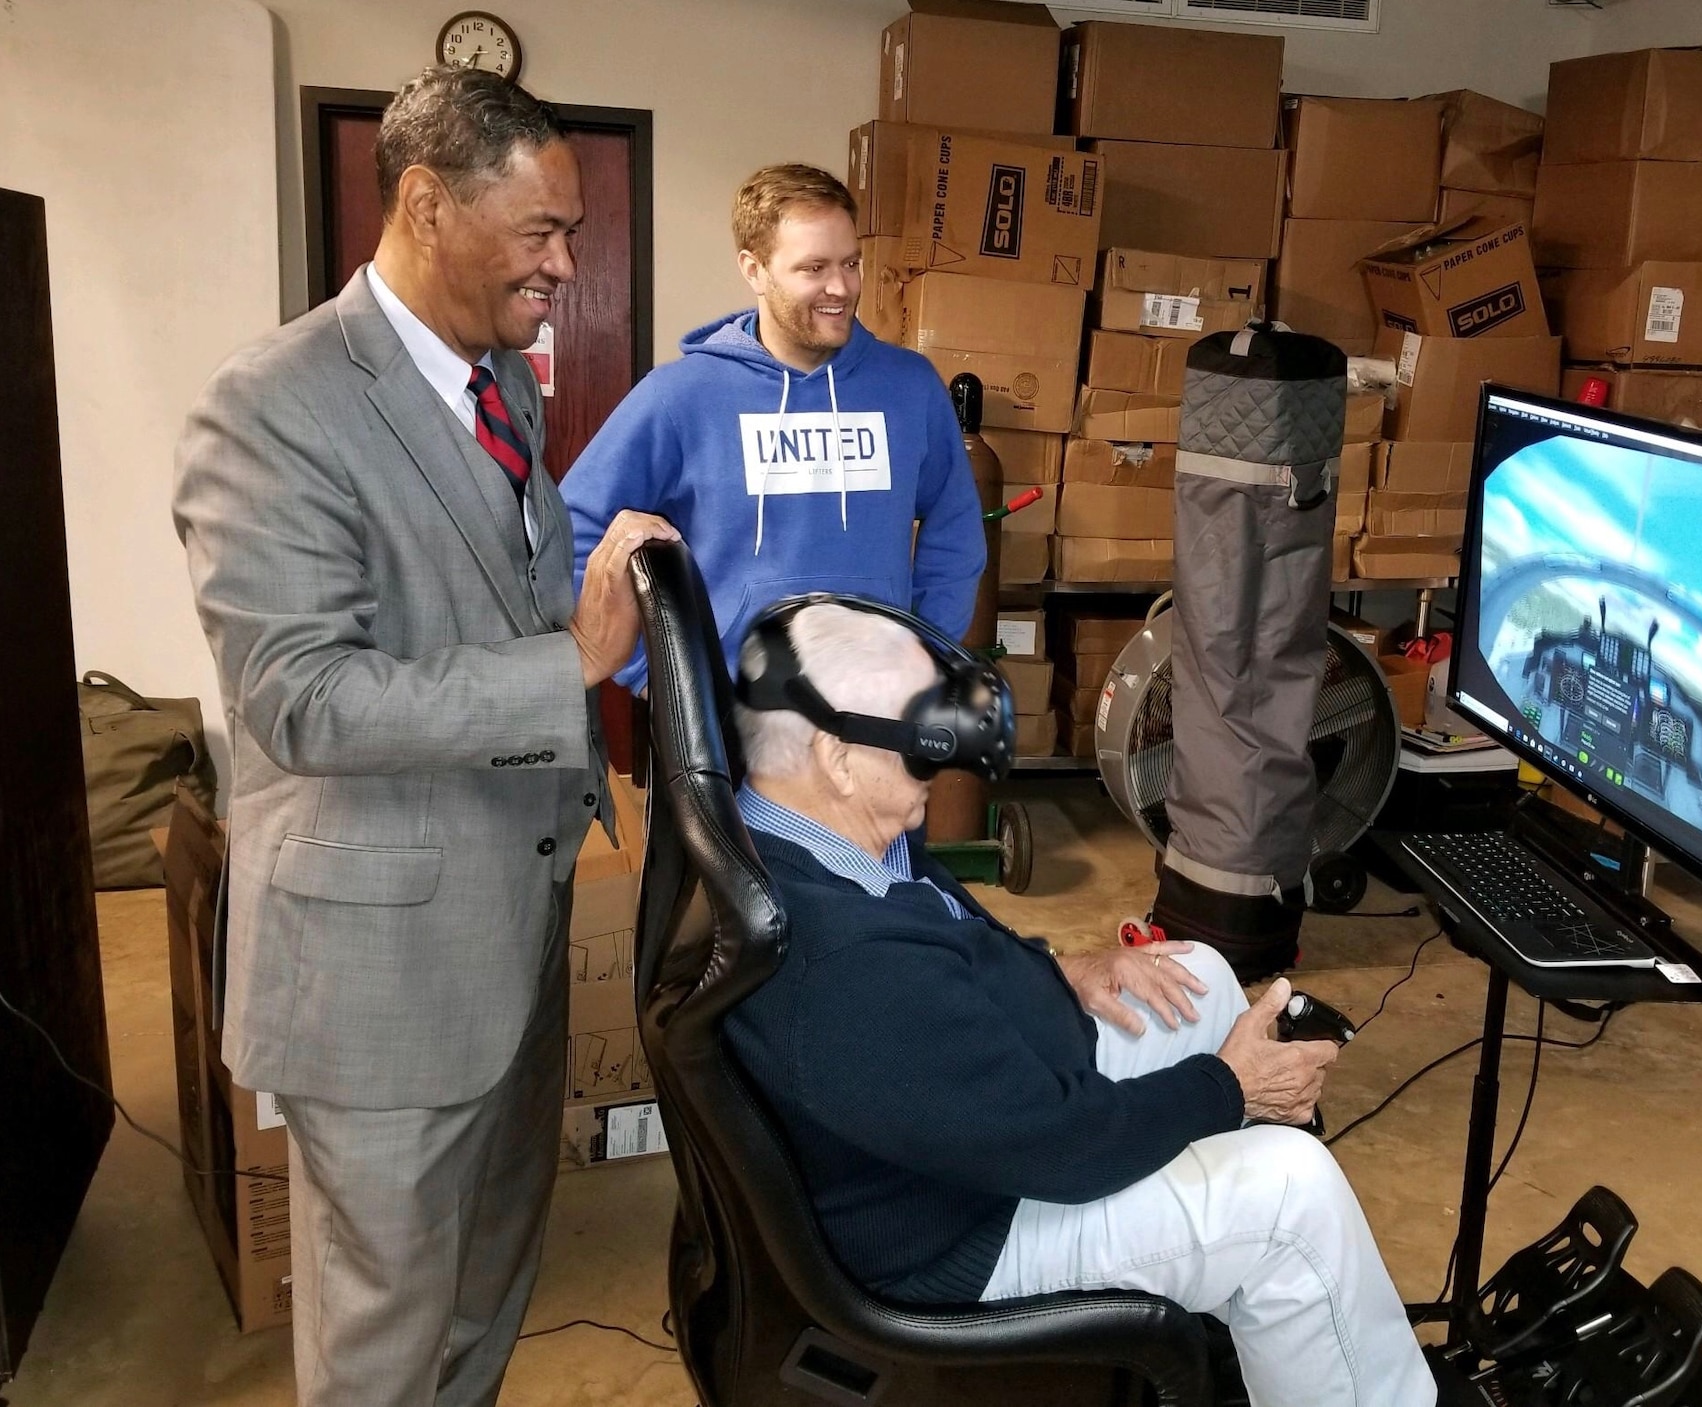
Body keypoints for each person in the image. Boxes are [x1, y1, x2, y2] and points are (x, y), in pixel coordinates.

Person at [172, 68, 675, 1407]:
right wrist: (570, 659)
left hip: (511, 931)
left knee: (488, 1281)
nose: (566, 262)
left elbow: (494, 580)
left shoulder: (499, 378)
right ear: (424, 205)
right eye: (540, 232)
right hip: (380, 965)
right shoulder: (272, 405)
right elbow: (302, 698)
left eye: (569, 232)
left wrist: (595, 591)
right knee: (385, 1327)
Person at [723, 602, 1437, 1407]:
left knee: (1193, 973)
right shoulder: (845, 962)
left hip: (977, 1123)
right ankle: (1286, 1280)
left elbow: (953, 952)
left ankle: (1252, 1305)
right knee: (1292, 1193)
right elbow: (1061, 1150)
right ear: (838, 755)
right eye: (920, 736)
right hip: (961, 1228)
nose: (943, 754)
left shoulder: (814, 836)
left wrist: (1066, 969)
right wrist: (1230, 1086)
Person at [558, 163, 985, 682]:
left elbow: (956, 528)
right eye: (814, 268)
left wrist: (929, 654)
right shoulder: (681, 397)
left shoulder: (911, 388)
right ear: (754, 269)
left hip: (879, 712)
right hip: (739, 720)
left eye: (851, 263)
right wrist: (656, 675)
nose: (841, 287)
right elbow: (575, 531)